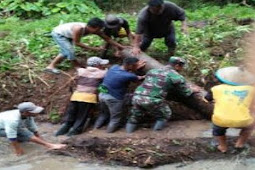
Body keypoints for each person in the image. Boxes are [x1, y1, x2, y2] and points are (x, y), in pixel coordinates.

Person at [126, 57, 194, 133]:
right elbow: (186, 93)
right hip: (152, 100)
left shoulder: (152, 70)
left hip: (137, 97)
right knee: (165, 114)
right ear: (177, 66)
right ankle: (156, 135)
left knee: (134, 116)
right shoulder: (176, 76)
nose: (182, 69)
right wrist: (193, 90)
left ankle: (128, 134)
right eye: (182, 67)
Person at [45, 17, 125, 74]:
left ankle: (50, 66)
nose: (99, 31)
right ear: (90, 27)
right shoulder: (78, 29)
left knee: (65, 51)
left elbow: (107, 39)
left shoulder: (95, 30)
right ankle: (76, 66)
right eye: (98, 29)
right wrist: (93, 48)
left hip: (68, 35)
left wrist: (120, 46)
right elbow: (77, 43)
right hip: (59, 34)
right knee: (70, 50)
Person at [205, 66, 255, 153]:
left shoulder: (216, 89)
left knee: (218, 129)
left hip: (221, 120)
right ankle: (240, 144)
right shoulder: (252, 90)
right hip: (243, 121)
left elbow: (206, 99)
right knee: (250, 127)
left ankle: (222, 147)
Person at [55, 56, 109, 136]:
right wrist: (105, 69)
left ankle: (63, 129)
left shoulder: (81, 71)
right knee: (82, 116)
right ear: (97, 65)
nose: (102, 65)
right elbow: (106, 73)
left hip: (76, 96)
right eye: (101, 64)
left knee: (72, 114)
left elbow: (77, 67)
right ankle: (75, 131)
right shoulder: (102, 73)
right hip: (88, 98)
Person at [94, 57, 145, 133]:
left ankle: (95, 129)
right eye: (135, 65)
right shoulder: (129, 76)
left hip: (102, 94)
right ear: (130, 66)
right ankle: (108, 134)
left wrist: (134, 68)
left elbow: (126, 74)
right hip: (113, 98)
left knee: (103, 114)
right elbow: (137, 79)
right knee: (115, 118)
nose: (137, 66)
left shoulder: (114, 67)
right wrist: (144, 75)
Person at [0, 102, 66, 156]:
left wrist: (43, 142)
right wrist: (18, 150)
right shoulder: (13, 120)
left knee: (23, 135)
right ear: (25, 112)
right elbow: (11, 136)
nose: (36, 112)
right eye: (33, 111)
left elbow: (32, 128)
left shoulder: (28, 115)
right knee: (23, 132)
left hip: (4, 125)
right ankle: (51, 146)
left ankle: (20, 141)